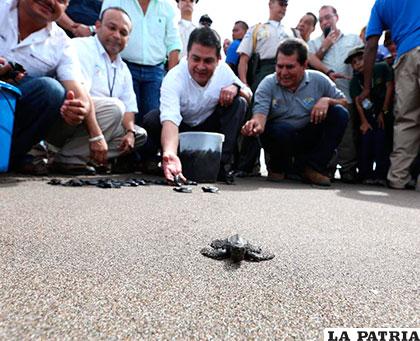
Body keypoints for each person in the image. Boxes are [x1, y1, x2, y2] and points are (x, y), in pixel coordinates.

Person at [142, 27, 251, 183]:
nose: (200, 67)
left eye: (208, 61)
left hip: (209, 129)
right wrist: (170, 153)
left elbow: (248, 94)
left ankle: (221, 165)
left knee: (239, 103)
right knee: (152, 118)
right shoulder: (174, 78)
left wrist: (236, 88)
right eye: (196, 59)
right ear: (187, 56)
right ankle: (158, 161)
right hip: (181, 129)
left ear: (219, 60)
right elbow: (170, 120)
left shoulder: (224, 71)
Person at [0, 0, 95, 175]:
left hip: (8, 110)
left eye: (61, 0)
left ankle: (7, 157)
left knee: (51, 91)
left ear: (67, 7)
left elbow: (78, 92)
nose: (51, 1)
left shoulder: (62, 43)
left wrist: (78, 109)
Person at [51, 7, 147, 174]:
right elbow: (81, 97)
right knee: (115, 108)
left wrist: (130, 132)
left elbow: (129, 107)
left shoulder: (123, 68)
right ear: (98, 26)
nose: (117, 35)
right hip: (68, 118)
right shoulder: (81, 47)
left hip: (101, 120)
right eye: (112, 27)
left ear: (128, 39)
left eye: (123, 32)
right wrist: (97, 137)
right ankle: (68, 157)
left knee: (139, 135)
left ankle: (76, 155)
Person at [242, 39, 348, 187]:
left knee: (339, 113)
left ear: (304, 65)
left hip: (309, 136)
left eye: (290, 67)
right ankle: (278, 167)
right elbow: (260, 116)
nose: (284, 73)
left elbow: (345, 102)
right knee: (280, 130)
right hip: (281, 137)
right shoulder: (268, 83)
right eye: (280, 66)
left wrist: (328, 100)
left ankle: (312, 168)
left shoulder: (319, 80)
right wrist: (254, 125)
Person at [361, 0, 420, 189]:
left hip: (405, 55)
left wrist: (367, 86)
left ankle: (398, 177)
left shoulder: (381, 4)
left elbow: (371, 46)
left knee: (406, 119)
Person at [235, 0, 296, 177]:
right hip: (263, 73)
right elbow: (244, 60)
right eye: (281, 3)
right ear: (270, 4)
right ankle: (246, 166)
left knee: (284, 118)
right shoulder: (256, 29)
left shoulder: (291, 32)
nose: (284, 7)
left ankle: (279, 168)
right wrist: (244, 84)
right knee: (254, 119)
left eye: (286, 4)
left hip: (287, 75)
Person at [101, 0, 181, 123]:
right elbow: (103, 31)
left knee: (154, 118)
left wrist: (170, 80)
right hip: (123, 67)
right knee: (124, 116)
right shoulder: (115, 1)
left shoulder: (167, 7)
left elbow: (174, 44)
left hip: (155, 73)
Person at [308, 5, 362, 182]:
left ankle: (348, 170)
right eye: (321, 19)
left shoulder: (353, 39)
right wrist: (325, 46)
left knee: (349, 137)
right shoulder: (316, 43)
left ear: (336, 17)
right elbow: (309, 60)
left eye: (328, 17)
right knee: (327, 134)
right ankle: (326, 168)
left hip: (349, 95)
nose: (325, 22)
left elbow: (363, 59)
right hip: (324, 98)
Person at [346, 46, 394, 186]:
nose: (358, 64)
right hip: (367, 116)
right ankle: (365, 174)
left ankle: (381, 175)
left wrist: (383, 111)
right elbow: (357, 102)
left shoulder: (381, 67)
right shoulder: (355, 80)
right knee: (366, 140)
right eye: (354, 62)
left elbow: (389, 86)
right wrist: (364, 122)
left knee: (382, 142)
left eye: (360, 59)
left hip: (384, 113)